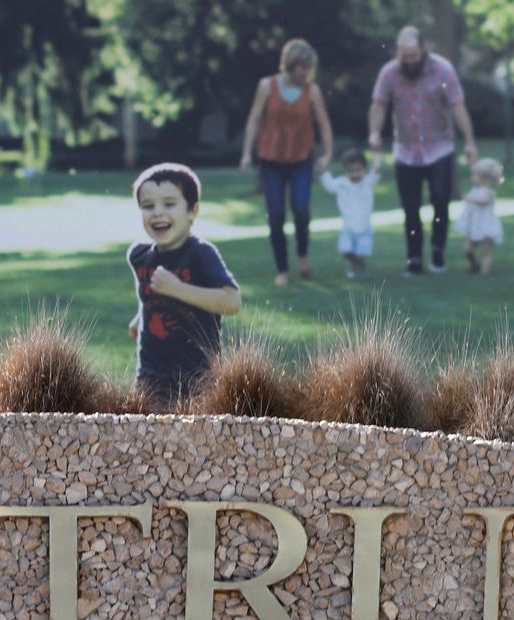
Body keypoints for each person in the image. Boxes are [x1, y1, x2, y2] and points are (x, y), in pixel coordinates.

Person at [127, 163, 241, 410]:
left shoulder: (200, 254)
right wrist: (141, 318)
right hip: (150, 375)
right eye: (148, 206)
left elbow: (232, 301)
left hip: (197, 377)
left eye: (169, 204)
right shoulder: (139, 256)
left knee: (195, 442)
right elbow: (150, 297)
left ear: (193, 211)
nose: (157, 212)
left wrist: (177, 289)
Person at [368, 26, 477, 277]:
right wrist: (374, 132)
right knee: (410, 206)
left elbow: (458, 106)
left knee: (440, 200)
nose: (408, 61)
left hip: (439, 147)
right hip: (406, 150)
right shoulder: (389, 73)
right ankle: (414, 258)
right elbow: (378, 105)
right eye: (404, 56)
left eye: (413, 56)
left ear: (423, 50)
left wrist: (470, 141)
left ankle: (437, 250)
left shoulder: (443, 70)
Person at [240, 39, 334, 286]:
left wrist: (328, 154)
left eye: (309, 68)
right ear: (290, 64)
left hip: (301, 158)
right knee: (276, 215)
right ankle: (282, 269)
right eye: (302, 67)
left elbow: (323, 124)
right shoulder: (266, 86)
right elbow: (254, 118)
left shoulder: (312, 91)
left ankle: (302, 254)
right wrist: (246, 153)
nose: (306, 72)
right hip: (270, 159)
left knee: (301, 209)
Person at [318, 147, 382, 278]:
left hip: (364, 228)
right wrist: (322, 171)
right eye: (351, 171)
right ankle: (354, 267)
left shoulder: (367, 182)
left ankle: (360, 269)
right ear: (346, 170)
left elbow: (376, 169)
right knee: (346, 250)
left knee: (360, 254)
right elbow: (329, 184)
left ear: (364, 168)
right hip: (348, 228)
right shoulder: (341, 183)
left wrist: (376, 153)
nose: (355, 174)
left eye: (358, 170)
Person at [456, 157, 504, 275]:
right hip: (475, 225)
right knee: (468, 249)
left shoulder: (488, 192)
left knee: (486, 252)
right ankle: (474, 265)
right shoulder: (476, 190)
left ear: (486, 179)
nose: (472, 178)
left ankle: (484, 272)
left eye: (475, 175)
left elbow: (484, 201)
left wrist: (470, 198)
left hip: (486, 225)